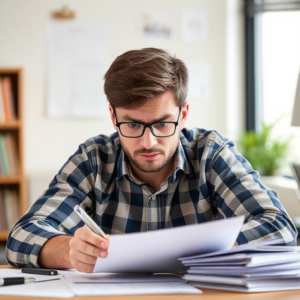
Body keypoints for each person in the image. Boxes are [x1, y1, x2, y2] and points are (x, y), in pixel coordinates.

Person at [6, 48, 297, 273]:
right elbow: (22, 235)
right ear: (113, 117)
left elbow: (280, 226)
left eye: (162, 124)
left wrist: (220, 249)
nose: (148, 142)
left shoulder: (211, 154)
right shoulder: (94, 159)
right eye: (132, 125)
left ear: (183, 115)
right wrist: (69, 250)